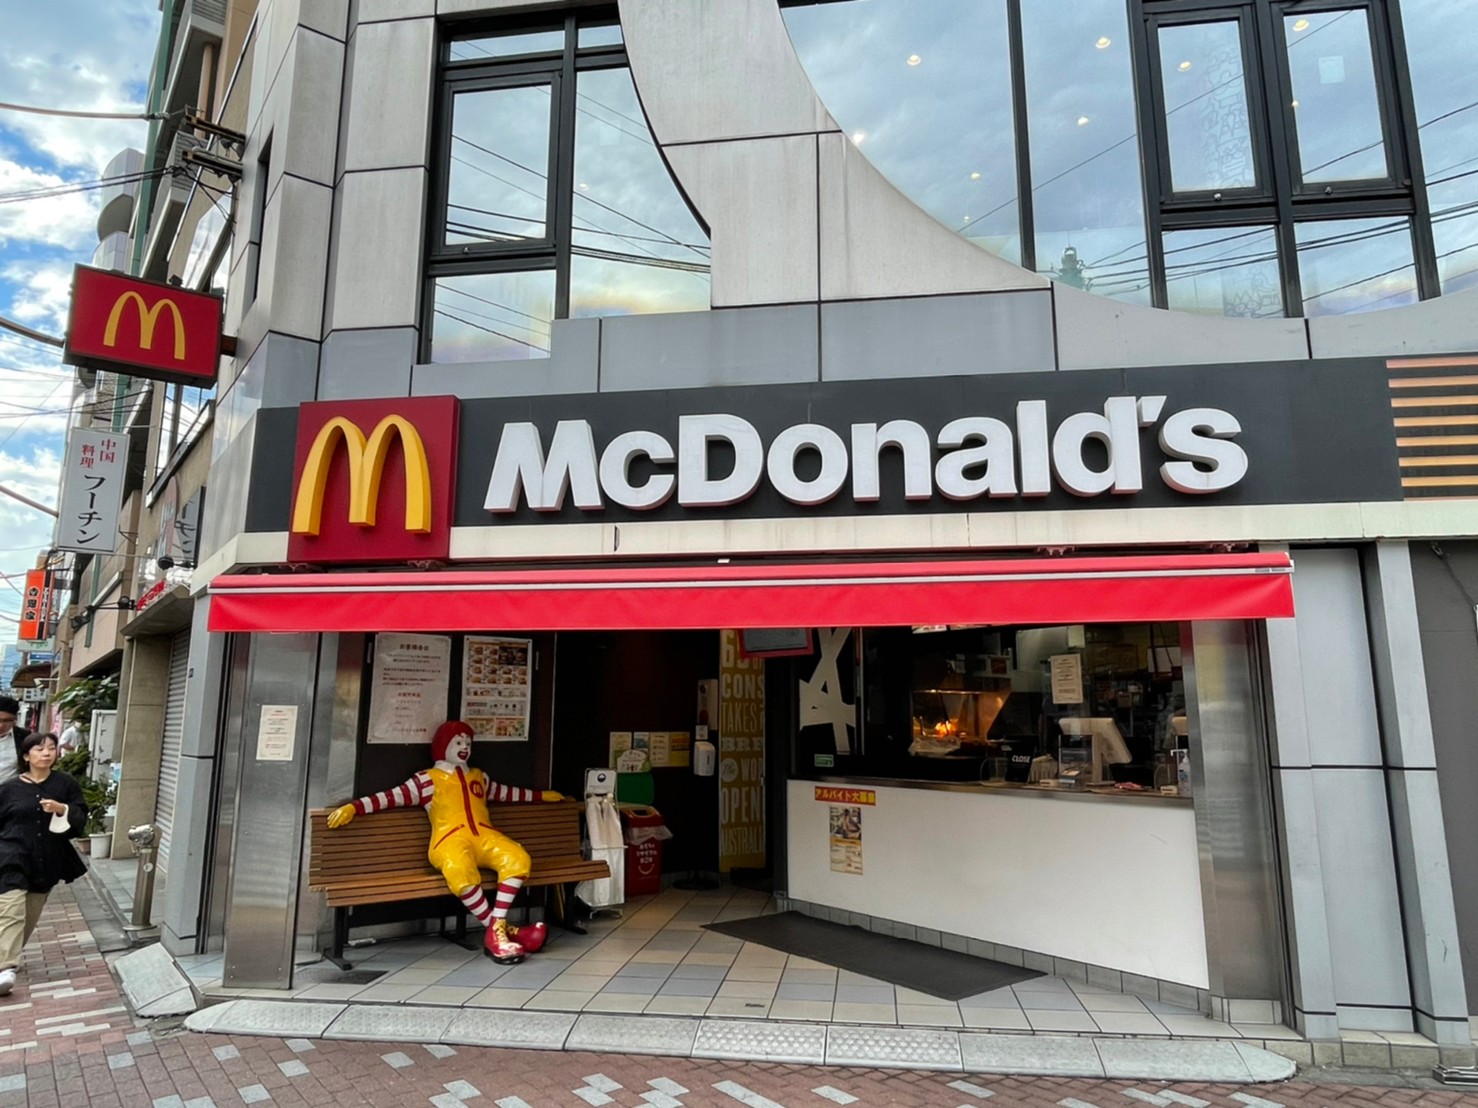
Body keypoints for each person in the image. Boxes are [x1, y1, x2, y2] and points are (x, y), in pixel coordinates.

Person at [326, 721, 563, 964]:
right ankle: (501, 932)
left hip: (486, 837)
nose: (465, 747)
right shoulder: (427, 780)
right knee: (459, 868)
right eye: (458, 742)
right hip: (449, 841)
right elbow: (389, 797)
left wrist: (541, 796)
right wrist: (354, 807)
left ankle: (498, 930)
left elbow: (508, 793)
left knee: (517, 857)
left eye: (468, 743)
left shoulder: (479, 777)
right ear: (443, 746)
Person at [0, 732, 87, 995]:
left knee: (29, 915)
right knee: (11, 909)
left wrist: (62, 809)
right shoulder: (8, 788)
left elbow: (80, 818)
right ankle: (6, 967)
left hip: (46, 857)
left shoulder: (65, 784)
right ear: (26, 756)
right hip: (11, 855)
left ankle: (7, 955)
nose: (47, 753)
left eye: (51, 748)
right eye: (39, 749)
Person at [0, 698, 31, 789]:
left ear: (15, 719)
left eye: (7, 720)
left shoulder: (24, 737)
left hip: (11, 791)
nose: (1, 725)